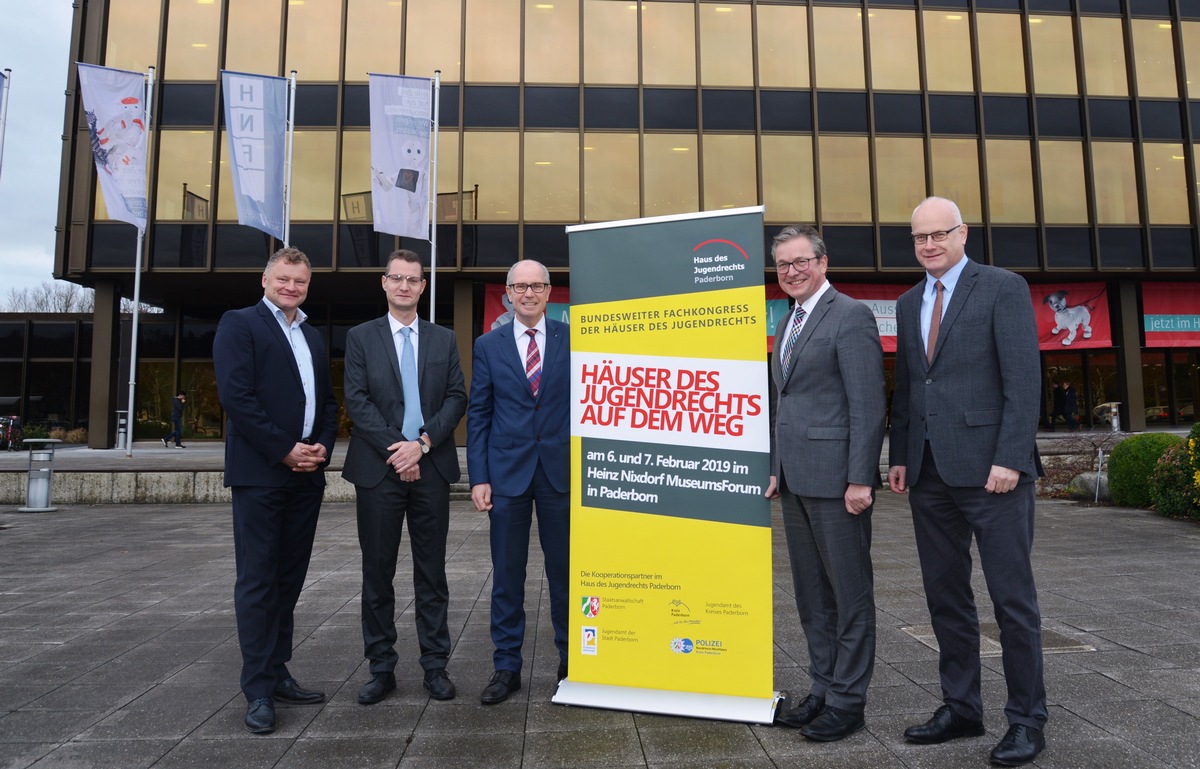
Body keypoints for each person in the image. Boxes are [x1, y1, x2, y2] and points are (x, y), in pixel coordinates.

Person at [887, 197, 1047, 767]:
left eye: (939, 234)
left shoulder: (1001, 287)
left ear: (962, 234)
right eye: (919, 237)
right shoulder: (908, 303)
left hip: (992, 473)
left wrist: (1009, 457)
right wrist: (901, 454)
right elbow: (909, 386)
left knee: (1012, 601)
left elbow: (1023, 381)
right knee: (945, 597)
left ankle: (1028, 721)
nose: (929, 244)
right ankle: (961, 707)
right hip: (929, 473)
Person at [766, 225, 886, 742]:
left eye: (800, 262)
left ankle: (848, 701)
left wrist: (861, 477)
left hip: (839, 483)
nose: (792, 272)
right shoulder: (789, 319)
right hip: (794, 480)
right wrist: (775, 466)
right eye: (783, 265)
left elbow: (868, 404)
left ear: (822, 261)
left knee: (849, 595)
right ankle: (822, 687)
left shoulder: (851, 315)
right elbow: (783, 403)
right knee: (812, 597)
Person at [213, 246, 339, 735]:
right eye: (284, 279)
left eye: (300, 282)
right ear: (265, 280)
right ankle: (258, 688)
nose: (291, 287)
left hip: (305, 475)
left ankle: (278, 670)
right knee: (258, 582)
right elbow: (236, 397)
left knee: (289, 580)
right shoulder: (239, 324)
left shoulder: (309, 332)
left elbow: (327, 402)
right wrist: (284, 448)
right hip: (262, 473)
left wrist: (320, 447)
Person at [342, 250, 467, 705]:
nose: (404, 286)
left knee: (431, 575)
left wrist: (423, 444)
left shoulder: (443, 339)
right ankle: (381, 668)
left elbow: (456, 397)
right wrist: (400, 450)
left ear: (422, 286)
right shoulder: (360, 337)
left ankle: (436, 666)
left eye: (413, 280)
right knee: (378, 573)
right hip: (379, 471)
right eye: (397, 278)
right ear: (384, 283)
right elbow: (357, 401)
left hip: (431, 468)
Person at [467, 259, 570, 705]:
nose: (528, 294)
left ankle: (573, 663)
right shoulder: (488, 345)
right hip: (506, 476)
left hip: (560, 475)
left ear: (549, 292)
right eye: (520, 286)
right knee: (508, 575)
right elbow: (479, 414)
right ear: (508, 293)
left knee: (565, 573)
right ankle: (506, 666)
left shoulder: (575, 340)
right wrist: (479, 477)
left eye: (537, 286)